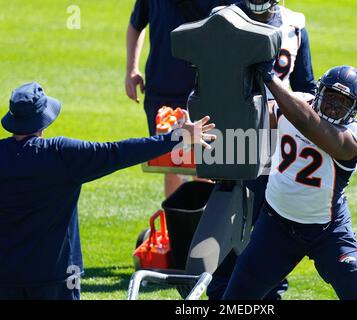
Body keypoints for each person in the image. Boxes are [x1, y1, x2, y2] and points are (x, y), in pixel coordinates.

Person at [0, 82, 214, 300]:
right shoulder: (60, 154)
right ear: (43, 121)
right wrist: (176, 137)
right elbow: (118, 152)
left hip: (5, 275)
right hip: (55, 275)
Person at [222, 65, 357, 300]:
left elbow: (307, 122)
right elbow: (258, 117)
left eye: (343, 101)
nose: (334, 105)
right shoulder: (296, 103)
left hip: (328, 230)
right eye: (331, 96)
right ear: (319, 92)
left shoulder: (354, 138)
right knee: (236, 299)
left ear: (354, 108)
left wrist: (270, 78)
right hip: (276, 224)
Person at [206, 0, 316, 300]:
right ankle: (220, 293)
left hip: (277, 141)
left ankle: (269, 294)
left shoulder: (294, 23)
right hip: (235, 137)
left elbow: (306, 85)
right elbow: (205, 76)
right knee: (231, 220)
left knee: (273, 221)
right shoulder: (223, 17)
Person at [125, 0, 238, 198]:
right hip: (162, 92)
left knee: (205, 167)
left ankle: (204, 227)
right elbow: (137, 23)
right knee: (173, 165)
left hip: (206, 91)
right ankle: (177, 226)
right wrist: (131, 69)